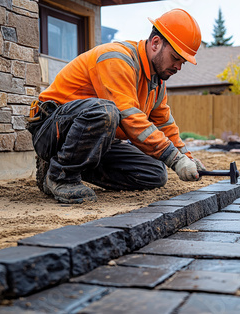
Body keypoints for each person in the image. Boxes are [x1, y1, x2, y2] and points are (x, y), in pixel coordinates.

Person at [27, 9, 206, 204]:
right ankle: (61, 176)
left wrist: (186, 157)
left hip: (94, 140)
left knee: (155, 173)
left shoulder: (156, 83)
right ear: (155, 43)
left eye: (183, 63)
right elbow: (129, 117)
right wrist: (175, 159)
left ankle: (60, 165)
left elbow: (164, 125)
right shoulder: (117, 58)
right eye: (175, 58)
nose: (178, 67)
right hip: (52, 130)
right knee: (106, 111)